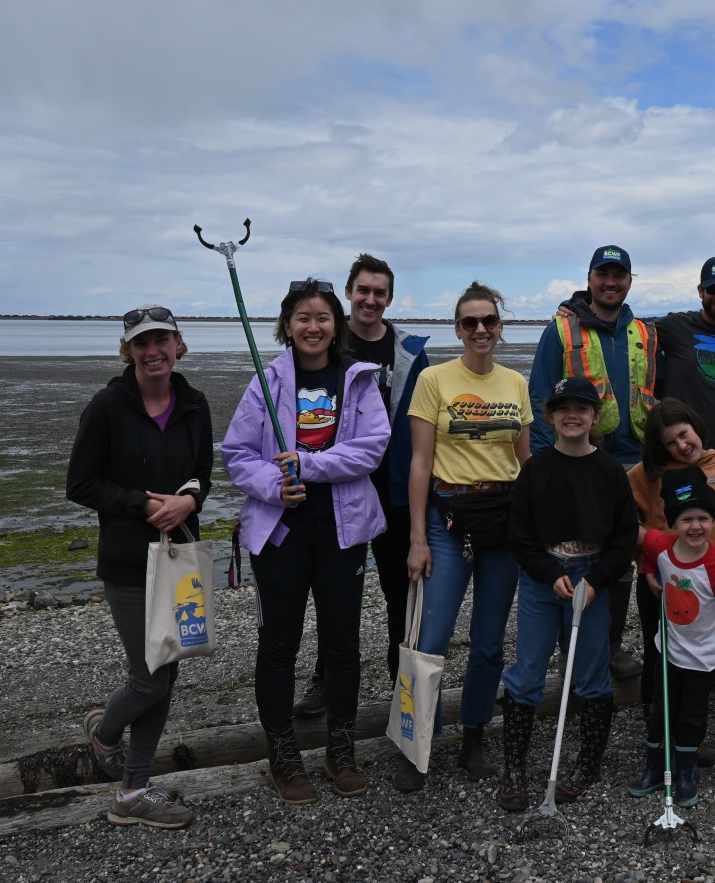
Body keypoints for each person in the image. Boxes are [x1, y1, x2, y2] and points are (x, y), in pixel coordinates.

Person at [222, 278, 390, 805]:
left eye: (322, 318)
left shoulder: (358, 380)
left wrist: (309, 466)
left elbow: (372, 448)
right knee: (279, 645)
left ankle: (340, 749)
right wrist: (276, 484)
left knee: (341, 645)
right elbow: (238, 453)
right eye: (302, 318)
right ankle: (283, 754)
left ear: (335, 325)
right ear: (287, 326)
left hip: (343, 531)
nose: (312, 327)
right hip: (281, 531)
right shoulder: (266, 382)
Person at [68, 305, 212, 829]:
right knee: (150, 680)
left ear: (179, 344)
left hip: (180, 559)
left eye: (162, 340)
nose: (154, 351)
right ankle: (109, 741)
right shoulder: (107, 406)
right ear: (129, 350)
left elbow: (202, 473)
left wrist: (189, 501)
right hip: (129, 563)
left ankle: (132, 785)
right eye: (142, 343)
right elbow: (81, 484)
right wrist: (141, 504)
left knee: (167, 674)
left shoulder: (193, 403)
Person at [397, 281, 533, 793]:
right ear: (458, 329)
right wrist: (417, 537)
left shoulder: (515, 384)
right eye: (470, 322)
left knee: (489, 643)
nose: (480, 329)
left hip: (504, 520)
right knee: (430, 640)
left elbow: (524, 461)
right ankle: (416, 741)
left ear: (500, 327)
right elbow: (420, 461)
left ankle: (474, 731)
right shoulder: (434, 379)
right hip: (448, 520)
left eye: (488, 321)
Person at [294, 253, 430, 718]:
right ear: (349, 293)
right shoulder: (326, 341)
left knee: (400, 594)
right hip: (337, 493)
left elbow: (424, 423)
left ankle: (403, 689)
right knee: (333, 594)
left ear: (389, 299)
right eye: (363, 290)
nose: (370, 299)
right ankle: (324, 680)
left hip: (393, 492)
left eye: (380, 292)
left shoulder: (410, 351)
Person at [498, 377, 638, 811]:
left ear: (596, 416)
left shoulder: (611, 471)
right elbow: (519, 535)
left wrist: (597, 580)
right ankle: (515, 768)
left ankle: (588, 763)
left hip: (593, 581)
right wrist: (546, 572)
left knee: (592, 674)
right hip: (544, 581)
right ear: (550, 416)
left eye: (582, 407)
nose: (572, 414)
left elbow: (625, 535)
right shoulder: (535, 469)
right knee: (526, 673)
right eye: (563, 408)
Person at [529, 245, 658, 680]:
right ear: (589, 278)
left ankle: (613, 646)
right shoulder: (562, 331)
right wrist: (554, 461)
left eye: (619, 275)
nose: (611, 282)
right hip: (587, 461)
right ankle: (577, 650)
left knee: (625, 558)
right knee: (581, 557)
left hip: (639, 464)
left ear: (629, 281)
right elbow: (539, 396)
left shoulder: (645, 332)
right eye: (603, 274)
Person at [626, 465, 715, 808]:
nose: (696, 526)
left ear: (713, 521)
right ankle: (656, 770)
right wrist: (649, 573)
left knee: (691, 714)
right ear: (673, 523)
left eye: (703, 517)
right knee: (660, 710)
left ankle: (686, 772)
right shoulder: (662, 545)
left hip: (703, 656)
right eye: (686, 519)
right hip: (669, 649)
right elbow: (648, 549)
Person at [626, 398, 715, 763]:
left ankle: (689, 737)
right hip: (658, 585)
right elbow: (628, 523)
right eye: (670, 442)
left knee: (699, 659)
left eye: (684, 435)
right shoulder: (643, 474)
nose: (681, 446)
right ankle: (657, 729)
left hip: (707, 589)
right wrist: (647, 565)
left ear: (696, 428)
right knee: (657, 653)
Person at [653, 256, 715, 462]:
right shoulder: (674, 325)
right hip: (678, 451)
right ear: (700, 291)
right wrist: (579, 303)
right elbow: (629, 328)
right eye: (713, 289)